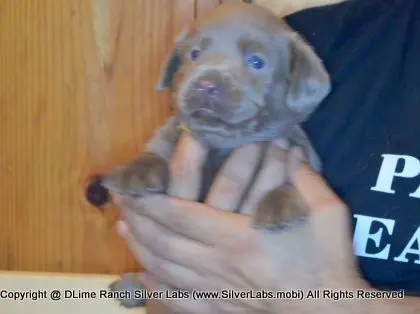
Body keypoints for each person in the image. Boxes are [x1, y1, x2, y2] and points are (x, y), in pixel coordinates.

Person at [113, 0, 420, 312]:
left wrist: (330, 302)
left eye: (255, 63)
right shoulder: (327, 38)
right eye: (195, 54)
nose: (208, 80)